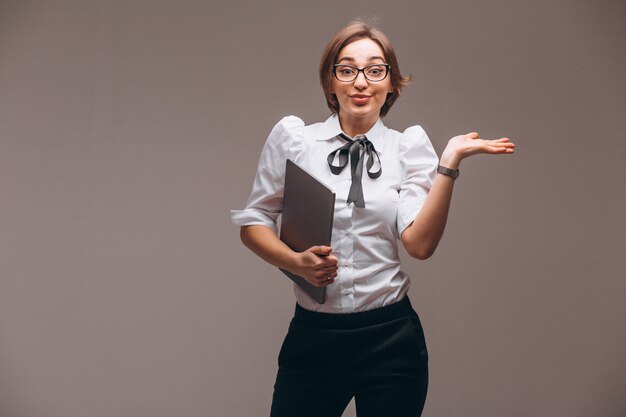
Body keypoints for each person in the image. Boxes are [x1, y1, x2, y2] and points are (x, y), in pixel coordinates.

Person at [231, 20, 515, 417]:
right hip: (313, 338)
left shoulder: (407, 148)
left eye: (375, 70)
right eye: (346, 70)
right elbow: (254, 221)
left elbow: (419, 245)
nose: (360, 82)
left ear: (391, 83)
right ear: (330, 83)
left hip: (391, 340)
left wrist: (447, 164)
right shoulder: (296, 140)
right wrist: (295, 262)